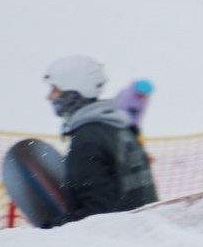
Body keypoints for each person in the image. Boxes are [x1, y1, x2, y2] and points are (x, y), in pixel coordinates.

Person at [43, 54, 157, 219]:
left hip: (119, 240)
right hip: (142, 233)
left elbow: (96, 216)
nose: (49, 97)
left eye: (55, 89)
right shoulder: (118, 129)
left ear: (73, 92)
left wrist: (49, 230)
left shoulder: (87, 140)